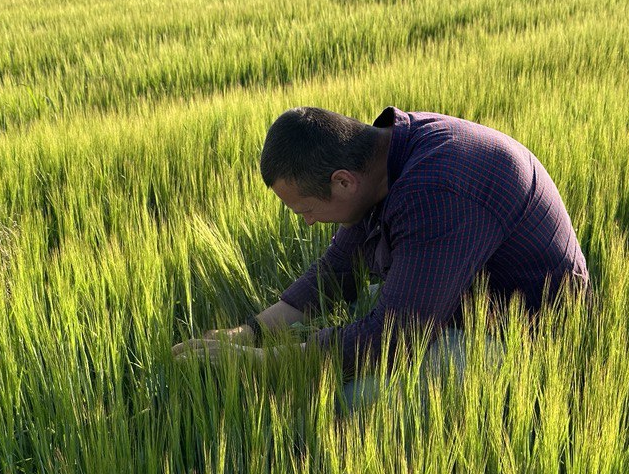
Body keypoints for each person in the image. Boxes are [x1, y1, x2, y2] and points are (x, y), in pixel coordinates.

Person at [171, 106, 589, 405]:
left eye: (307, 210)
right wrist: (249, 333)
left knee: (337, 406)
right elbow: (337, 271)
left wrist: (264, 364)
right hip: (460, 310)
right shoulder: (386, 156)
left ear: (343, 182)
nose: (309, 224)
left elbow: (393, 337)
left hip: (528, 338)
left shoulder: (438, 192)